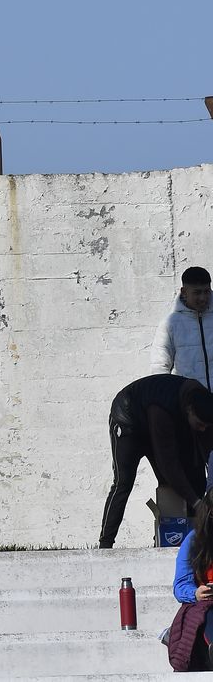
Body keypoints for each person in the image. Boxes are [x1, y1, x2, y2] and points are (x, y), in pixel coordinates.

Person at [99, 374, 213, 548]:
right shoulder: (161, 411)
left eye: (206, 425)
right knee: (123, 483)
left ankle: (165, 538)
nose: (202, 428)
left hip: (158, 418)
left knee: (172, 485)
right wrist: (197, 503)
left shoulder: (203, 406)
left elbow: (204, 456)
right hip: (128, 419)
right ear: (189, 410)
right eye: (199, 424)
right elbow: (169, 464)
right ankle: (105, 544)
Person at [168, 489, 213, 670]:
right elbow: (180, 585)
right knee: (208, 613)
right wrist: (196, 593)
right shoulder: (195, 540)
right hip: (206, 603)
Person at [152, 268, 213, 389]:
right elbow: (159, 367)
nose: (203, 298)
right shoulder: (170, 324)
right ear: (184, 292)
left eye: (206, 291)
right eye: (197, 292)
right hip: (188, 402)